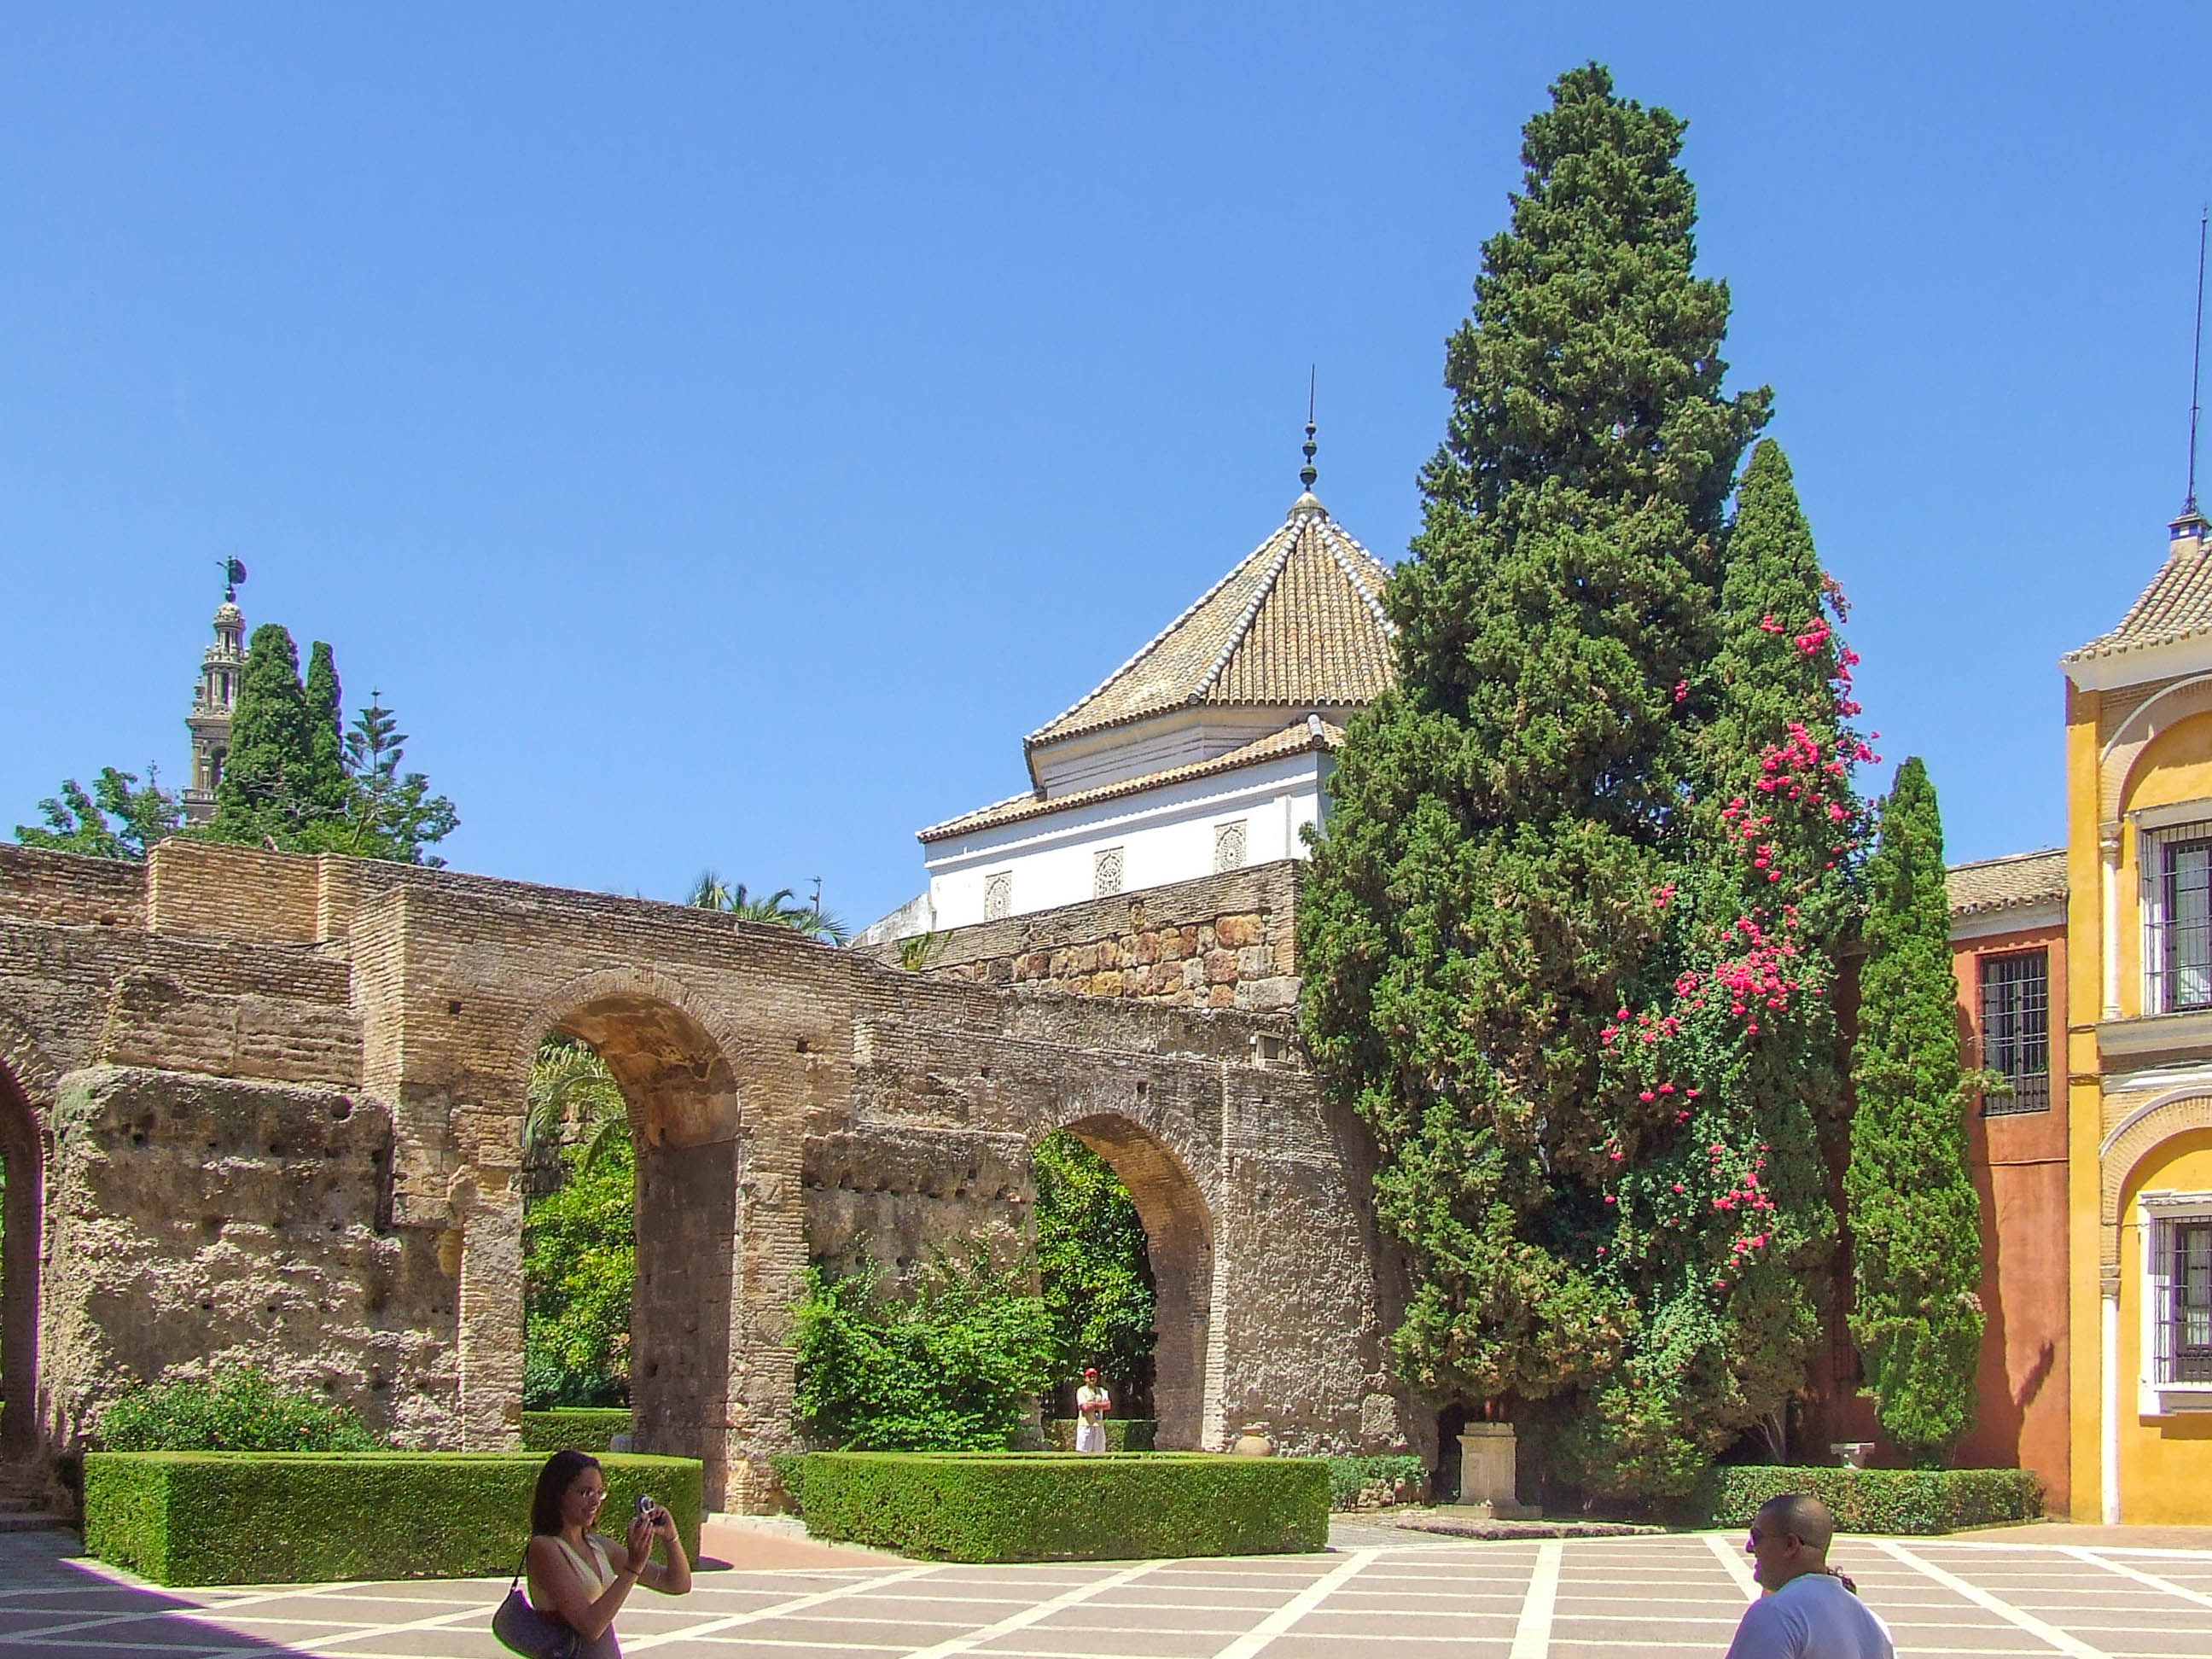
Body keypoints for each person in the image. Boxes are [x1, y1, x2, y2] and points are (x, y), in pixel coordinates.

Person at [525, 1450, 692, 1657]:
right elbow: (590, 1626)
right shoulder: (545, 1548)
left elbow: (677, 1584)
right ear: (558, 1494)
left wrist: (671, 1538)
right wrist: (633, 1567)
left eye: (599, 1493)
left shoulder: (600, 1546)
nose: (595, 1502)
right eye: (585, 1493)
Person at [1723, 1493, 1893, 1659]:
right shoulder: (1875, 1625)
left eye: (1756, 1537)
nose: (1749, 1547)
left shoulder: (1777, 1613)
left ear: (1790, 1545)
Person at [1073, 1367, 1111, 1453]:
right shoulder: (1081, 1391)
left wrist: (1092, 1404)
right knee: (1084, 1452)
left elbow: (1108, 1405)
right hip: (1085, 1426)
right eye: (1090, 1377)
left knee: (1100, 1452)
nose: (1092, 1379)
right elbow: (1084, 1408)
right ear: (1085, 1378)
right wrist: (1100, 1405)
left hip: (1098, 1425)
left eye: (1094, 1377)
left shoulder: (1102, 1391)